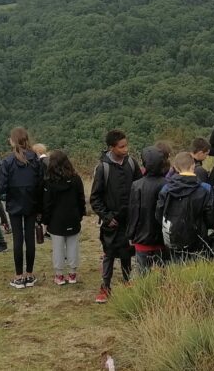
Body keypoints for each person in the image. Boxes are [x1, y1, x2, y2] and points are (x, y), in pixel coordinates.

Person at [90, 129, 142, 304]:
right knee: (109, 254)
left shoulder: (131, 164)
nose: (126, 149)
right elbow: (95, 198)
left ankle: (128, 282)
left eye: (126, 145)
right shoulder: (102, 168)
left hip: (129, 220)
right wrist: (106, 217)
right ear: (112, 147)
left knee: (127, 252)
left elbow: (139, 187)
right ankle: (105, 287)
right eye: (122, 147)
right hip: (111, 221)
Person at [0, 127, 44, 289]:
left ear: (12, 141)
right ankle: (30, 275)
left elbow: (2, 187)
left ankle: (18, 277)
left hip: (14, 205)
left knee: (18, 239)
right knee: (30, 238)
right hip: (32, 204)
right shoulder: (36, 159)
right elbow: (41, 184)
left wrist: (8, 196)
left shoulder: (7, 161)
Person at [157, 152, 214, 262]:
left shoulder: (166, 189)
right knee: (198, 268)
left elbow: (159, 214)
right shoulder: (205, 188)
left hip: (173, 236)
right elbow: (211, 218)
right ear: (193, 166)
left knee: (175, 268)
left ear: (175, 167)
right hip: (199, 237)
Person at [41, 149, 86, 285]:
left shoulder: (49, 181)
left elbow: (47, 204)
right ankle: (72, 274)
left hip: (56, 220)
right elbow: (81, 199)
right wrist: (80, 215)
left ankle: (59, 275)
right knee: (73, 246)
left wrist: (45, 221)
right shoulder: (76, 178)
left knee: (58, 248)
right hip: (73, 217)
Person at [126, 145, 169, 273]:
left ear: (144, 163)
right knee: (163, 274)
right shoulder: (167, 184)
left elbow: (133, 213)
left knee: (143, 274)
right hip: (162, 238)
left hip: (141, 238)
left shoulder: (137, 185)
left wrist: (131, 234)